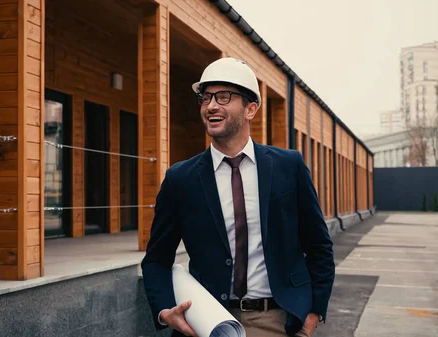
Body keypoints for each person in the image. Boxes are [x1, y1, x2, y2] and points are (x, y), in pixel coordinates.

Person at [141, 57, 335, 337]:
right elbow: (157, 259)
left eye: (223, 97)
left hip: (277, 322)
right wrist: (164, 310)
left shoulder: (289, 166)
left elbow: (319, 246)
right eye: (206, 98)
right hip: (207, 323)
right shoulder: (179, 179)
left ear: (250, 109)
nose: (211, 106)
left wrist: (313, 315)